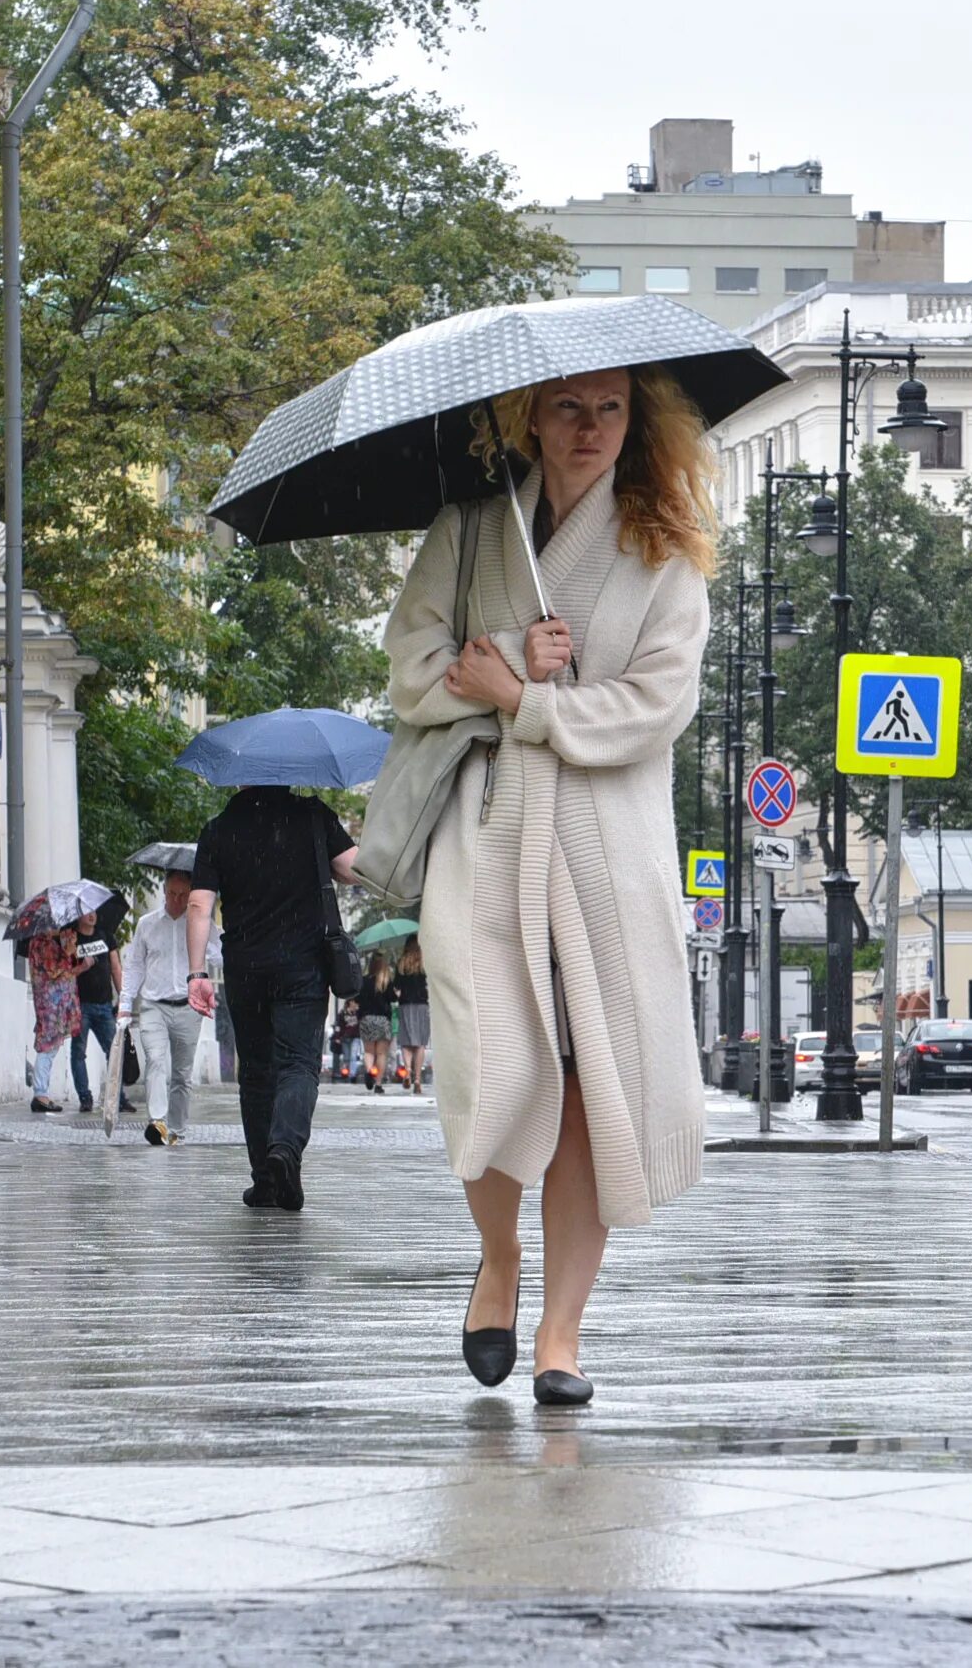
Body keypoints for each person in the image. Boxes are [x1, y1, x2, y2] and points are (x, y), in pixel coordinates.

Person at [383, 363, 715, 1408]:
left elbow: (653, 709)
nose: (589, 428)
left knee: (591, 1091)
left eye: (610, 409)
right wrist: (502, 665)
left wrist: (528, 702)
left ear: (635, 422)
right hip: (488, 841)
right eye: (569, 407)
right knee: (493, 1065)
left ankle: (562, 1331)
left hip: (609, 854)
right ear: (530, 415)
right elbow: (408, 667)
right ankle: (500, 1256)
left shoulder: (663, 555)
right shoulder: (472, 530)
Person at [186, 789, 357, 1211]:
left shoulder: (219, 829)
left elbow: (198, 905)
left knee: (257, 1073)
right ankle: (285, 1150)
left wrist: (197, 974)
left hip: (245, 969)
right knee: (298, 1064)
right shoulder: (314, 816)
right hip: (304, 965)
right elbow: (354, 869)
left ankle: (266, 1179)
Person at [119, 871, 206, 1147]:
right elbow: (134, 966)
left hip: (188, 1007)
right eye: (172, 893)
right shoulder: (147, 925)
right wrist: (124, 1005)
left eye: (183, 894)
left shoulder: (200, 923)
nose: (177, 900)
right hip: (154, 1005)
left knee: (181, 1074)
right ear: (165, 892)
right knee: (155, 1061)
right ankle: (157, 1121)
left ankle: (177, 1130)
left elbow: (218, 952)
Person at [64, 905, 124, 1118]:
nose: (92, 915)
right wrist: (82, 965)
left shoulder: (106, 937)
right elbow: (66, 970)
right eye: (86, 911)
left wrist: (123, 999)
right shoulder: (71, 939)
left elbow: (116, 968)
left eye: (94, 911)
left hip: (104, 1005)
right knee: (79, 1052)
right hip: (80, 1006)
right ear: (78, 916)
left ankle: (119, 1097)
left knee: (115, 1052)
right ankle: (85, 1097)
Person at [24, 921, 84, 1114]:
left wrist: (70, 950)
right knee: (48, 1046)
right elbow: (54, 969)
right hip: (51, 1003)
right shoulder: (42, 942)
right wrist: (68, 951)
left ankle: (42, 1092)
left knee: (51, 1046)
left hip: (53, 1003)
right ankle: (40, 1093)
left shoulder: (47, 941)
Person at [356, 953, 397, 1091]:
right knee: (381, 1054)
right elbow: (392, 999)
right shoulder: (386, 981)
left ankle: (369, 1071)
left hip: (367, 1019)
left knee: (368, 1052)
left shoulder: (364, 980)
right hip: (383, 1020)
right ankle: (378, 1084)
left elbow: (357, 999)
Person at [395, 940, 431, 1094]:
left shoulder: (401, 964)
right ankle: (417, 1078)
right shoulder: (425, 963)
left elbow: (396, 985)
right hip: (422, 1005)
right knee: (420, 1043)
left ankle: (408, 1070)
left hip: (405, 1005)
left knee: (406, 1042)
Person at [330, 999, 363, 1082]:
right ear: (350, 1002)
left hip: (355, 1037)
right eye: (353, 1002)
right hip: (345, 1038)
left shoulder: (358, 1013)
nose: (355, 1004)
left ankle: (352, 1075)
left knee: (353, 1056)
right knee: (347, 1057)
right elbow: (338, 1025)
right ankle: (347, 1072)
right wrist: (337, 1037)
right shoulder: (342, 1013)